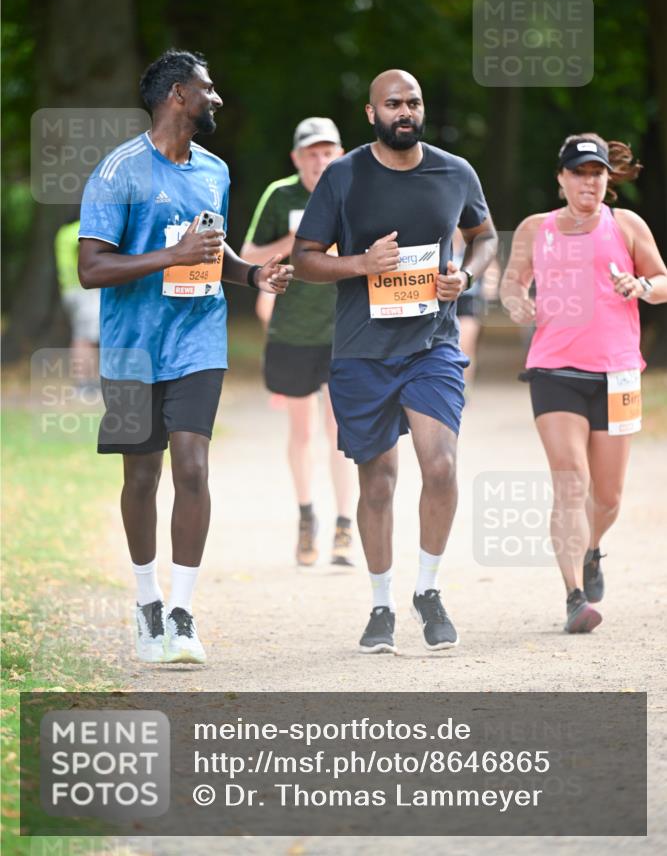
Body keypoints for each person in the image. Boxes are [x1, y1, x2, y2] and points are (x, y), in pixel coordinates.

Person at [78, 49, 292, 665]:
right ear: (177, 94)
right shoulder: (117, 172)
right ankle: (147, 599)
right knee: (142, 477)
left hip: (198, 339)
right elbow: (91, 268)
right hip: (132, 349)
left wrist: (254, 276)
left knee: (193, 469)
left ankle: (182, 611)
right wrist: (171, 257)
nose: (216, 97)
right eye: (207, 87)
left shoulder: (214, 171)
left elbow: (211, 252)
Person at [292, 70, 498, 653]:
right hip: (362, 350)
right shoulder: (344, 175)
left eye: (413, 103)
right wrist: (361, 263)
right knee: (378, 482)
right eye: (393, 104)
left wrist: (466, 276)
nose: (405, 112)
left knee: (441, 466)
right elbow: (304, 259)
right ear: (371, 113)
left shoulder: (455, 172)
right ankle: (381, 603)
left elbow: (485, 237)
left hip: (432, 344)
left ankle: (427, 590)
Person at [500, 133, 667, 633]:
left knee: (608, 497)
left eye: (596, 173)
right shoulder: (536, 228)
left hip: (617, 372)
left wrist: (640, 285)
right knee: (571, 479)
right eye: (578, 173)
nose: (587, 182)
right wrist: (516, 302)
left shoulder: (627, 225)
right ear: (561, 179)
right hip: (555, 370)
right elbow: (511, 282)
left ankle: (592, 548)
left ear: (607, 179)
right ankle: (574, 596)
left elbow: (662, 281)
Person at [241, 118, 356, 567]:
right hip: (292, 332)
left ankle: (344, 526)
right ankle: (307, 517)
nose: (319, 161)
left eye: (327, 152)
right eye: (311, 153)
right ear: (296, 158)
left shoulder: (353, 191)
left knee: (340, 430)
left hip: (344, 331)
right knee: (302, 431)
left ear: (340, 155)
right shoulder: (279, 195)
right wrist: (293, 241)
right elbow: (247, 256)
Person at [55, 219, 101, 391]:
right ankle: (85, 382)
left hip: (68, 290)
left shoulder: (63, 232)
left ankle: (89, 380)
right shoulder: (83, 229)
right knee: (86, 338)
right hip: (84, 291)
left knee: (81, 336)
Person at [452, 227, 500, 388]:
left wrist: (490, 286)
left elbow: (491, 266)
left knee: (465, 344)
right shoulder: (439, 246)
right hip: (441, 301)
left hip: (467, 299)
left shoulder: (473, 247)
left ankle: (464, 388)